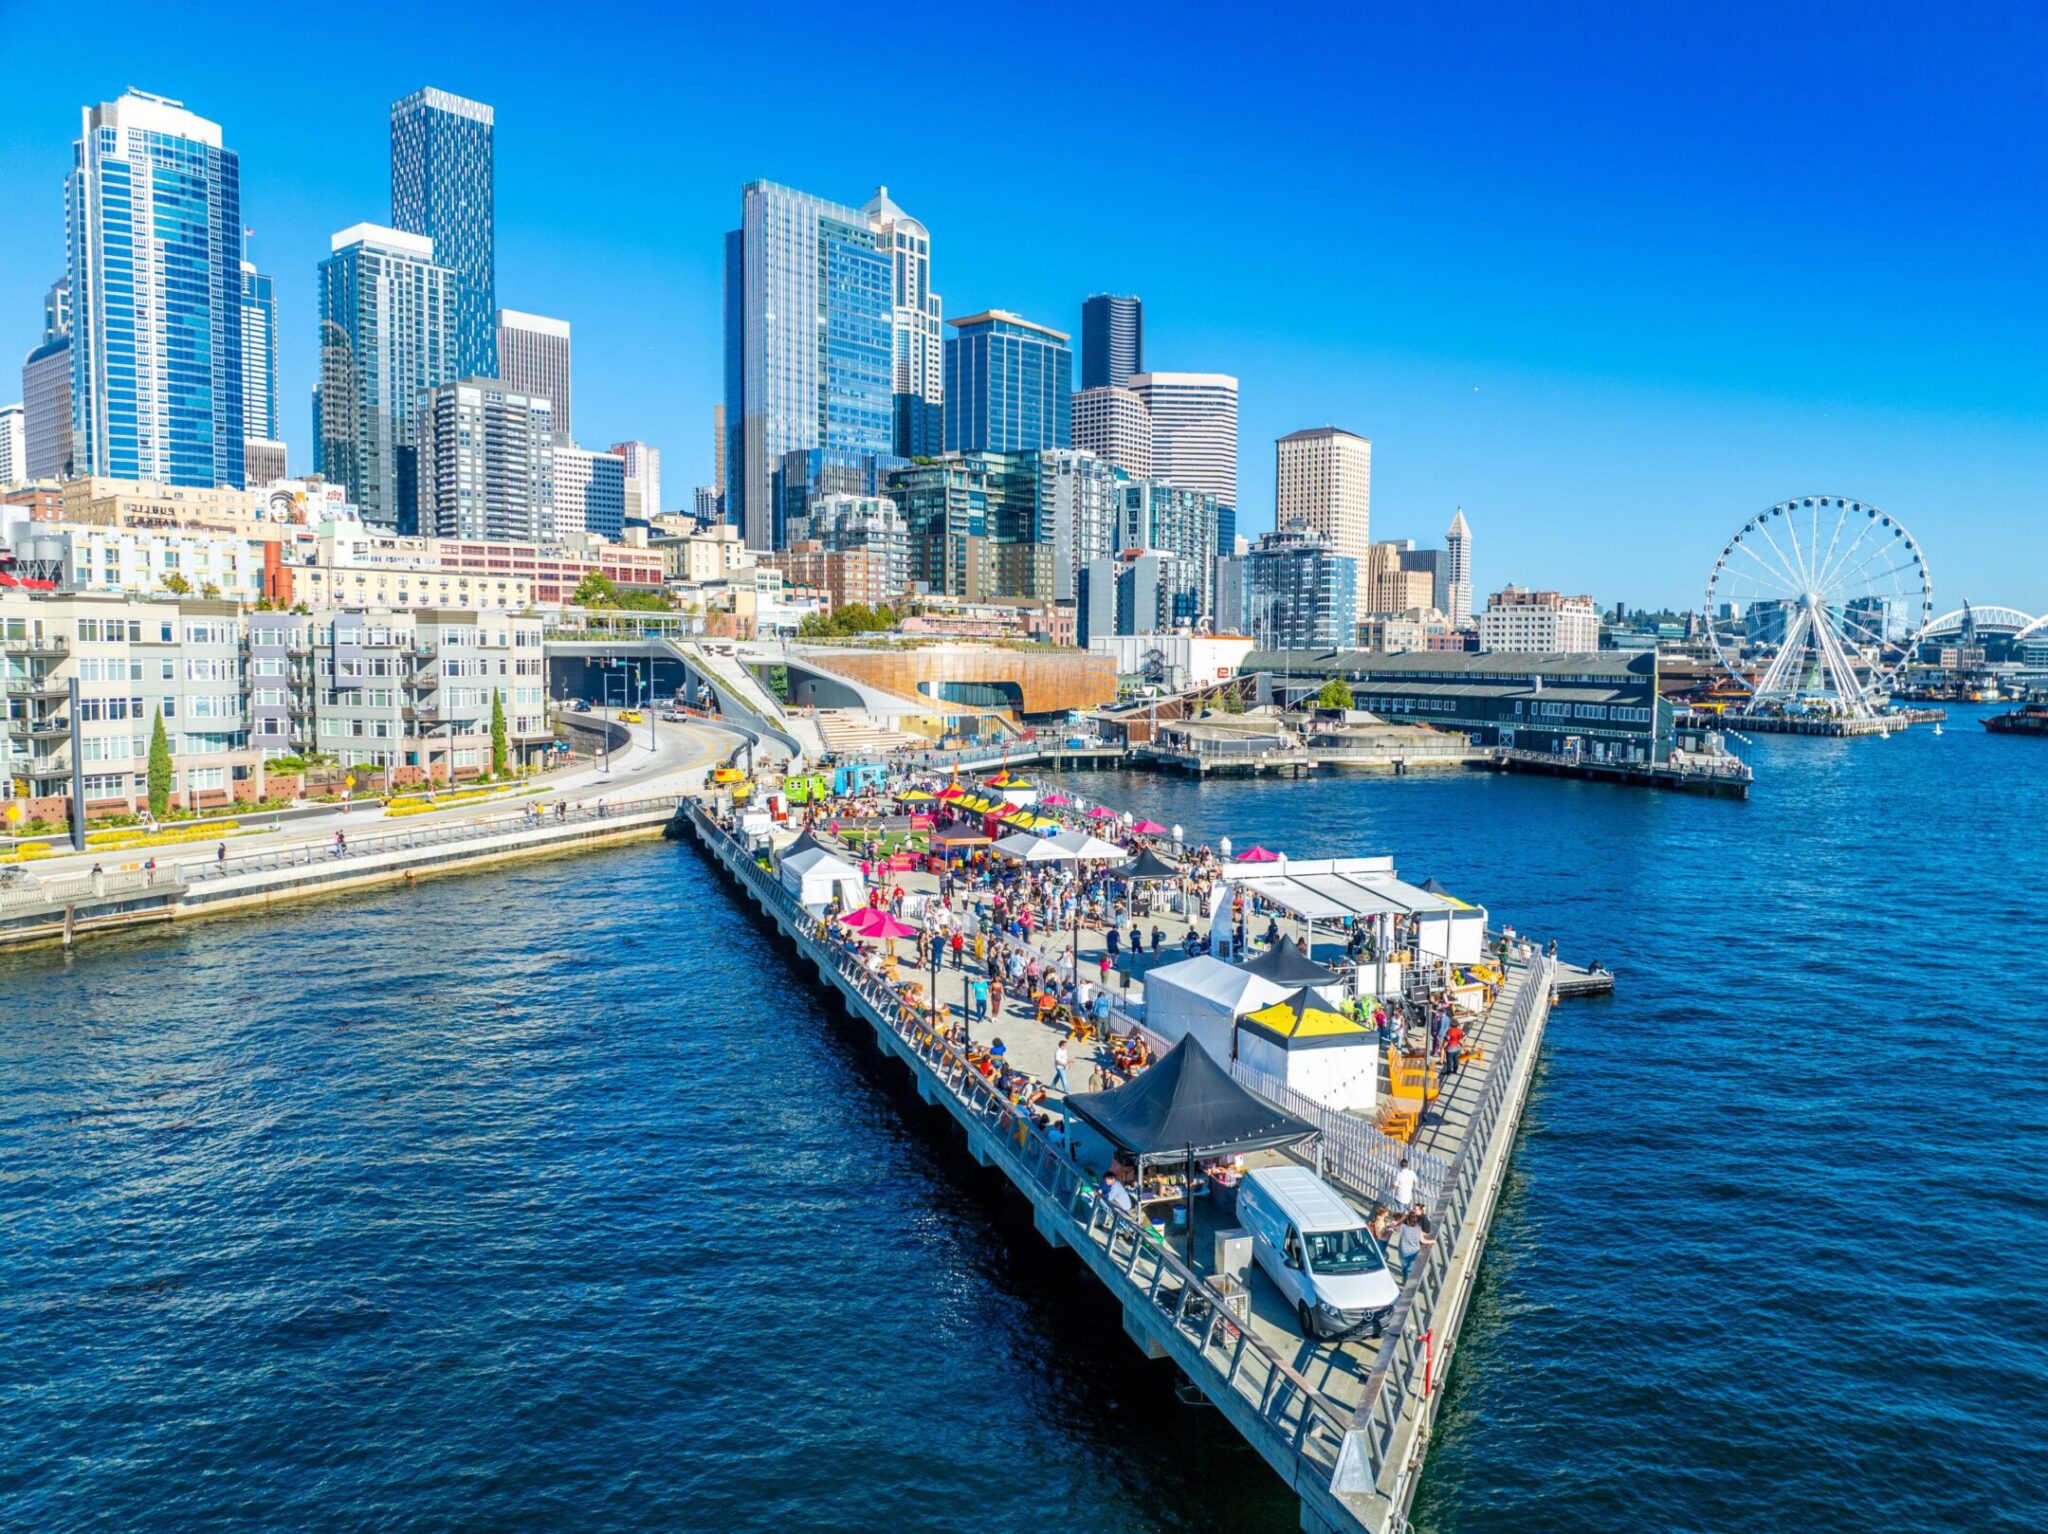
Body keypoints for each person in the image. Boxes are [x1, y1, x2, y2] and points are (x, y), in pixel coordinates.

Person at [1394, 1209, 1436, 1279]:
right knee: (1409, 1270)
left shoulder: (1403, 1227)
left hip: (1403, 1251)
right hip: (1413, 1253)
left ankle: (1404, 1279)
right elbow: (1423, 1241)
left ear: (1407, 1220)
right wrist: (1432, 1241)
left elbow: (1396, 1227)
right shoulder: (1418, 1229)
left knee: (1404, 1267)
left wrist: (1403, 1218)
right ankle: (1407, 1281)